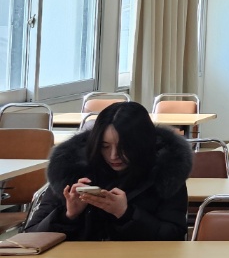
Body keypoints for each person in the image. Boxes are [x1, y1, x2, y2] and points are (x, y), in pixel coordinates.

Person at [27, 102, 191, 241]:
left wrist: (126, 214)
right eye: (104, 146)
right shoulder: (70, 169)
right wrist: (68, 215)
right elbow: (31, 236)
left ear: (141, 144)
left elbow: (174, 237)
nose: (113, 155)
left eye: (124, 147)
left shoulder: (166, 172)